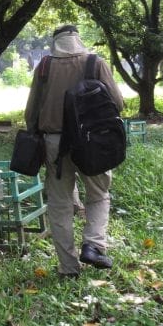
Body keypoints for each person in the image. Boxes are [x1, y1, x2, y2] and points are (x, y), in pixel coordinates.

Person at [24, 24, 125, 277]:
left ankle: (68, 268)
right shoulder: (95, 63)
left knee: (59, 204)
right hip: (92, 141)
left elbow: (31, 111)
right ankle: (93, 244)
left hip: (54, 143)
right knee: (99, 194)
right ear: (77, 40)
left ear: (55, 42)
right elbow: (118, 103)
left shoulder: (45, 66)